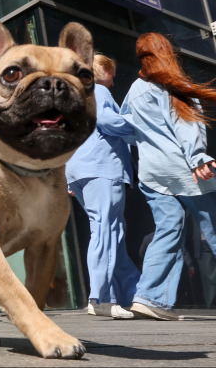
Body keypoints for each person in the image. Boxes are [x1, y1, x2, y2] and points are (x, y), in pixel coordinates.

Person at [120, 32, 216, 320]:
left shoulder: (134, 89)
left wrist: (150, 141)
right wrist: (198, 157)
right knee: (213, 227)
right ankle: (152, 298)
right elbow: (187, 124)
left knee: (167, 230)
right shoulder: (173, 84)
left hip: (152, 172)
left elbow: (126, 129)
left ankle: (150, 298)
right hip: (183, 168)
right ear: (167, 52)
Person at [65, 54, 141, 319]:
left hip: (80, 171)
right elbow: (109, 122)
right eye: (113, 72)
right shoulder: (98, 90)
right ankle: (101, 298)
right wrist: (141, 126)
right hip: (101, 168)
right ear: (103, 72)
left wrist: (68, 180)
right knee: (106, 230)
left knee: (112, 231)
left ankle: (132, 293)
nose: (115, 78)